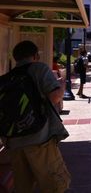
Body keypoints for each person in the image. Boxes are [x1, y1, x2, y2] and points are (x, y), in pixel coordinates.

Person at [2, 40, 71, 193]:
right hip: (39, 140)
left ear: (15, 58)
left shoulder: (7, 77)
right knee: (54, 185)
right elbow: (54, 97)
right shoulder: (39, 69)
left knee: (23, 187)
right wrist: (62, 85)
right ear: (35, 56)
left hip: (13, 142)